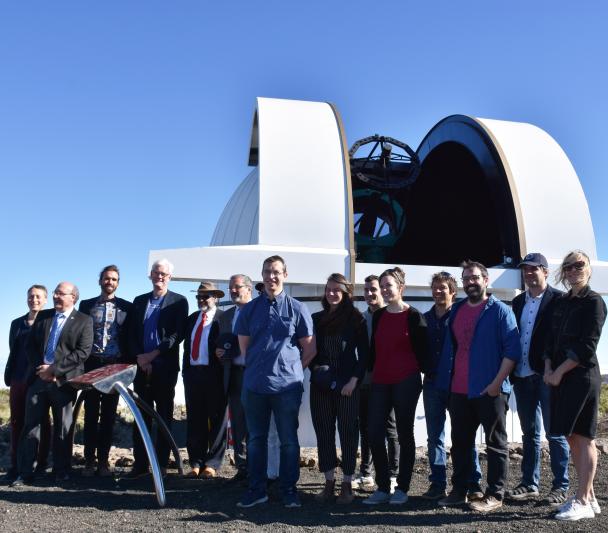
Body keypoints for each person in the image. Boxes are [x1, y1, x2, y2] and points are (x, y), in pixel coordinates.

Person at [436, 261, 521, 512]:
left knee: (495, 444)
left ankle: (495, 494)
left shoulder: (500, 311)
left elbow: (513, 351)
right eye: (466, 278)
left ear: (486, 280)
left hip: (490, 390)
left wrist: (496, 385)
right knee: (461, 442)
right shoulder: (458, 310)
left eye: (475, 278)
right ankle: (461, 489)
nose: (470, 282)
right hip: (459, 390)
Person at [235, 255, 316, 508]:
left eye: (276, 272)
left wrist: (292, 370)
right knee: (257, 439)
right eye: (267, 271)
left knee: (288, 441)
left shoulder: (297, 308)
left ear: (285, 274)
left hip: (287, 388)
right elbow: (245, 348)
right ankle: (257, 489)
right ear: (262, 275)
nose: (271, 276)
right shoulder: (249, 310)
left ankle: (289, 490)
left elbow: (310, 349)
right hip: (255, 387)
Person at [11, 282, 93, 487]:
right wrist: (42, 368)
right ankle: (25, 473)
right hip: (38, 381)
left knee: (62, 428)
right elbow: (30, 346)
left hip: (64, 382)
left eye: (60, 293)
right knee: (30, 427)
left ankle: (61, 472)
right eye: (55, 293)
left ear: (73, 297)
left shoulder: (84, 321)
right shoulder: (44, 317)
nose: (56, 296)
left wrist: (54, 370)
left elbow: (82, 352)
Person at [544, 251, 606, 521]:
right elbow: (549, 339)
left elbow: (587, 345)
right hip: (560, 376)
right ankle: (589, 497)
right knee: (571, 437)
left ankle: (581, 499)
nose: (573, 270)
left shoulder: (594, 302)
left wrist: (558, 371)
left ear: (588, 268)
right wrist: (548, 367)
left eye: (578, 265)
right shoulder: (561, 302)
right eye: (568, 267)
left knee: (584, 437)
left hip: (581, 376)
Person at [506, 253, 569, 505]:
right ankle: (529, 484)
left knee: (555, 433)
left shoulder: (559, 300)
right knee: (529, 434)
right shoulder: (519, 301)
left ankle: (560, 487)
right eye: (525, 270)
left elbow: (561, 339)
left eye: (533, 269)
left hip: (546, 376)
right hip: (522, 375)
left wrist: (551, 367)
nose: (529, 274)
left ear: (545, 271)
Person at [363, 267, 429, 506]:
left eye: (388, 285)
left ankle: (402, 487)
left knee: (404, 433)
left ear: (401, 288)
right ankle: (382, 486)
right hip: (380, 380)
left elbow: (423, 352)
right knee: (374, 431)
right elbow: (374, 349)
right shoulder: (379, 315)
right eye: (382, 286)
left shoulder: (414, 316)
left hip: (406, 381)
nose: (384, 290)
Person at [422, 272, 482, 501]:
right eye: (435, 287)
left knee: (464, 435)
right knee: (434, 437)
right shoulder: (425, 319)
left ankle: (473, 483)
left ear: (453, 292)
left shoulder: (460, 316)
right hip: (432, 384)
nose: (438, 292)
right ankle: (438, 483)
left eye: (443, 288)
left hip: (457, 383)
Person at [310, 273, 369, 504]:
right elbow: (310, 351)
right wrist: (316, 371)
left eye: (337, 290)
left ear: (345, 293)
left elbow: (364, 355)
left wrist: (354, 381)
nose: (332, 293)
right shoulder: (316, 318)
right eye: (328, 289)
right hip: (322, 386)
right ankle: (328, 483)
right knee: (323, 431)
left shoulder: (356, 319)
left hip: (347, 385)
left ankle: (347, 483)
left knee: (348, 432)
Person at [127, 258, 188, 477]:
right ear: (150, 275)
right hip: (141, 367)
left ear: (170, 277)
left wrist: (153, 356)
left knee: (163, 416)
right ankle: (140, 464)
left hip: (165, 367)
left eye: (164, 274)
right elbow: (132, 332)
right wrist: (141, 359)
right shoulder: (139, 301)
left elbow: (176, 335)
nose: (159, 277)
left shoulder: (178, 302)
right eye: (156, 273)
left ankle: (161, 463)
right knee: (141, 416)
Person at [79, 265, 132, 477]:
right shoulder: (87, 305)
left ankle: (103, 462)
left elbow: (130, 336)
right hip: (92, 363)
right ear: (100, 281)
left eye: (114, 279)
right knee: (91, 414)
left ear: (118, 283)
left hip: (114, 366)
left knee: (109, 416)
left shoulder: (127, 307)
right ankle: (89, 461)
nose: (110, 282)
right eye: (107, 278)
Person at [353, 274, 399, 491]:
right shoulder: (361, 318)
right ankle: (366, 473)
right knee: (366, 428)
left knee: (390, 428)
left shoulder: (390, 315)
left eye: (374, 289)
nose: (370, 294)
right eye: (366, 290)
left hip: (387, 380)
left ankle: (393, 474)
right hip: (364, 381)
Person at [4, 285, 51, 482]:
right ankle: (16, 464)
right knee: (17, 423)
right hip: (18, 378)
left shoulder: (49, 321)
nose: (34, 300)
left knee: (42, 423)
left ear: (45, 300)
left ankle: (40, 464)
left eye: (38, 297)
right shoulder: (17, 323)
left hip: (40, 379)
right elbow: (12, 350)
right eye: (31, 296)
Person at [183, 281, 226, 478]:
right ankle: (195, 462)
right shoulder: (192, 318)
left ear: (215, 297)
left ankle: (212, 464)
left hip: (214, 374)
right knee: (195, 420)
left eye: (206, 296)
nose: (202, 300)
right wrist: (185, 372)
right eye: (199, 296)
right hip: (193, 374)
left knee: (217, 419)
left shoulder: (222, 318)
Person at [216, 274, 254, 482]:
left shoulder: (258, 311)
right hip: (233, 375)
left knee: (255, 423)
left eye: (237, 287)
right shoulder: (226, 316)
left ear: (248, 289)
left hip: (254, 374)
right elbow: (222, 344)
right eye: (231, 287)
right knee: (238, 424)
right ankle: (242, 468)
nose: (233, 290)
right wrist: (220, 353)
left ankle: (257, 467)